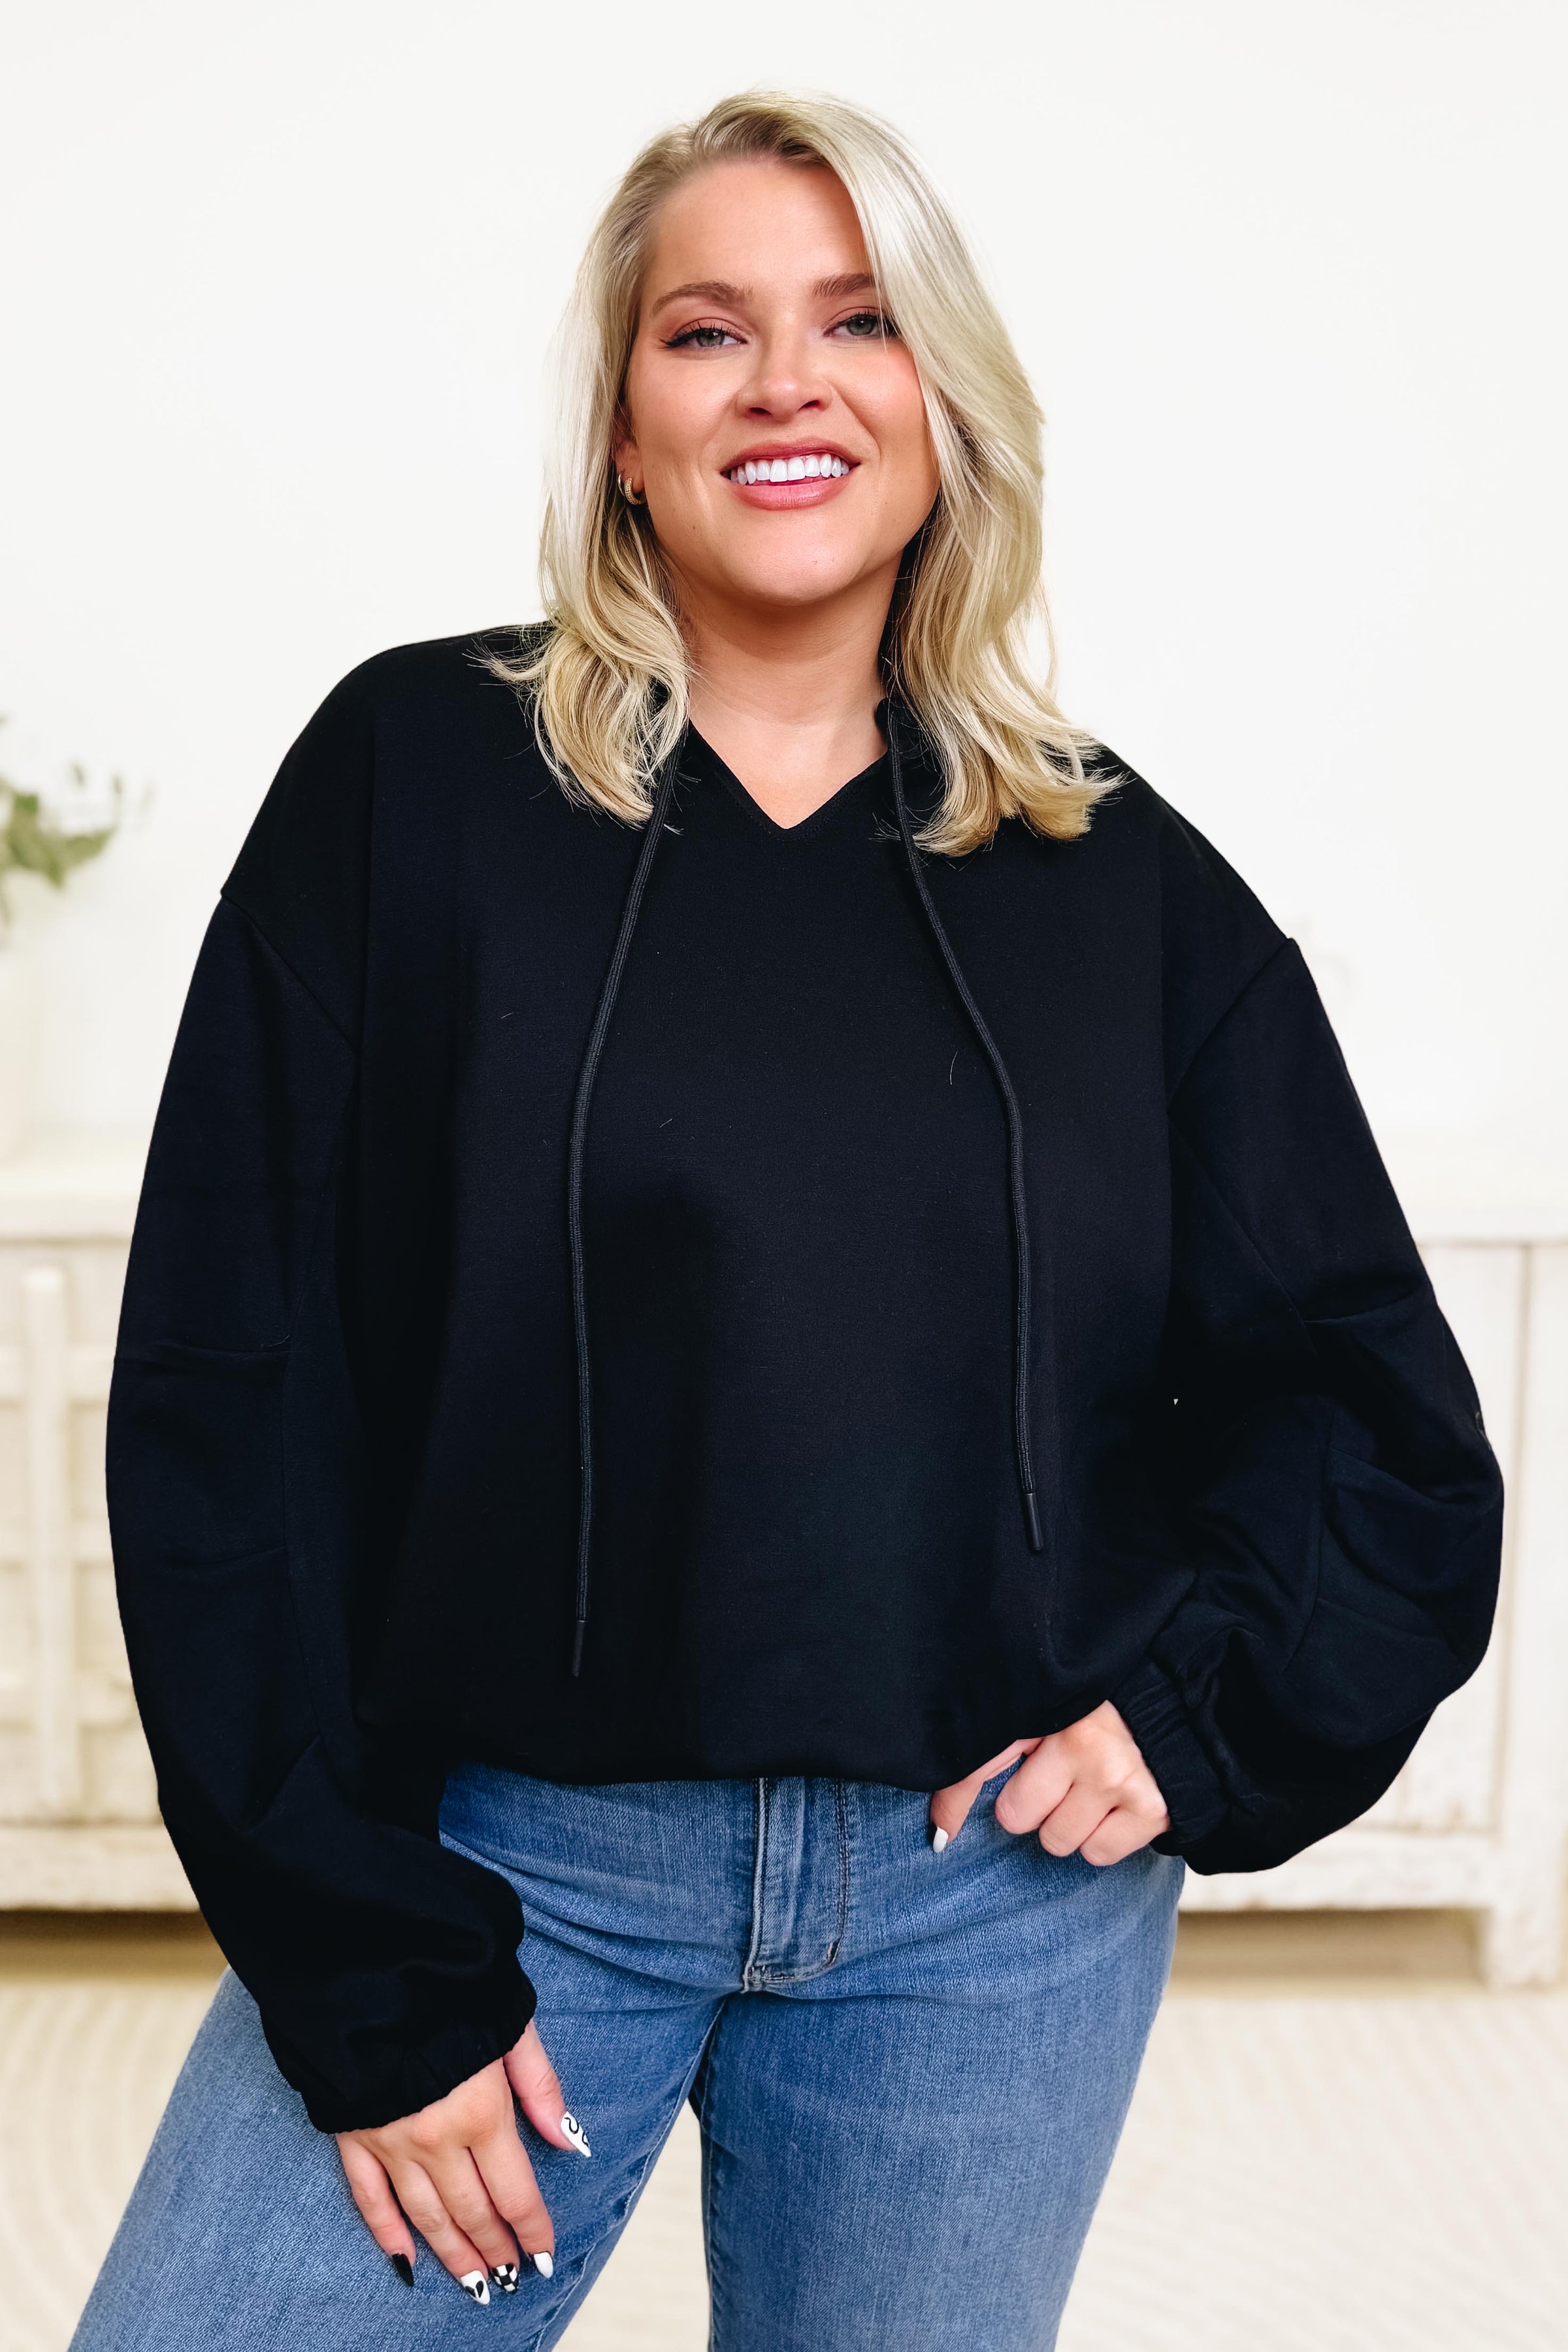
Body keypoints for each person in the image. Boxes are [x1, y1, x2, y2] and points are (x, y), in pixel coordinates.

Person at [75, 88, 1501, 2352]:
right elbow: (227, 1397)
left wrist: (1194, 1719)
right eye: (706, 331)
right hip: (502, 1877)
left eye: (858, 322)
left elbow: (1377, 1418)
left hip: (984, 1925)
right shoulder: (408, 789)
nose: (784, 384)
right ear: (622, 431)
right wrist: (363, 1961)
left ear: (946, 404)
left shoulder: (1122, 887)